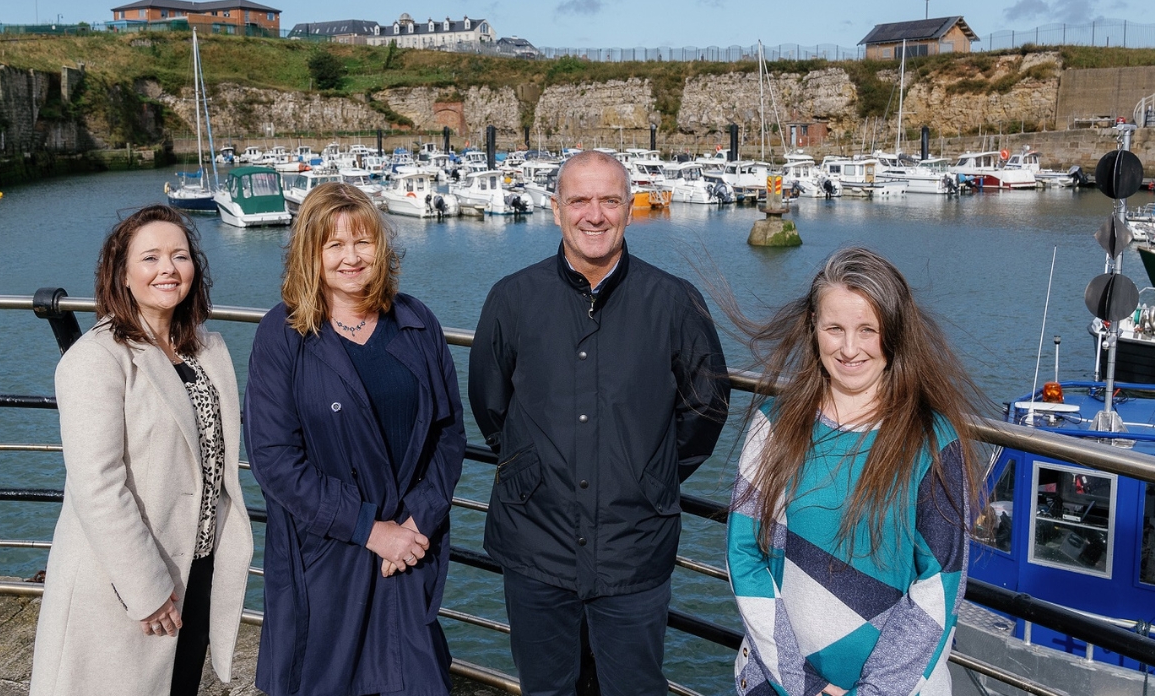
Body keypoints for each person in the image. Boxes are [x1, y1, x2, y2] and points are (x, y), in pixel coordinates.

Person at [470, 149, 731, 695]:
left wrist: (646, 474)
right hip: (535, 541)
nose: (595, 214)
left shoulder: (675, 302)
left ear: (629, 208)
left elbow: (705, 410)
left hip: (632, 545)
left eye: (609, 200)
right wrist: (532, 471)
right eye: (580, 200)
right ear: (556, 208)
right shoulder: (511, 299)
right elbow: (491, 406)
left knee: (634, 688)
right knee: (546, 688)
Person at [726, 246, 981, 696]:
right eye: (834, 328)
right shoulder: (774, 424)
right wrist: (802, 684)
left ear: (895, 333)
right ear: (813, 328)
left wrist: (874, 691)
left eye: (868, 330)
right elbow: (744, 554)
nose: (849, 349)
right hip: (778, 682)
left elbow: (940, 582)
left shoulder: (933, 441)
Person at [245, 183, 468, 696]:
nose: (351, 257)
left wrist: (417, 520)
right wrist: (371, 529)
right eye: (334, 245)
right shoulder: (284, 336)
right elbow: (274, 459)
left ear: (381, 247)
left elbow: (448, 434)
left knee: (416, 678)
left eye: (363, 242)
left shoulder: (415, 323)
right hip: (328, 554)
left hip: (408, 553)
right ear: (310, 253)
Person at [30, 205, 254, 696]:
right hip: (128, 578)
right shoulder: (96, 358)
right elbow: (98, 485)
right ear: (123, 274)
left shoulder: (205, 349)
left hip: (196, 563)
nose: (168, 269)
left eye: (179, 255)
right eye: (150, 257)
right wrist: (147, 589)